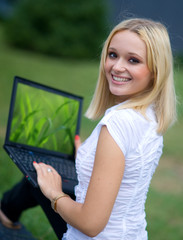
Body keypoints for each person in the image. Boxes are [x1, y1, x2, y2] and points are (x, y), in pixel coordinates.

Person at [0, 18, 176, 240]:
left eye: (133, 60)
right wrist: (86, 153)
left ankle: (6, 215)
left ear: (156, 71)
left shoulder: (117, 124)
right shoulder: (151, 115)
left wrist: (54, 193)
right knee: (44, 169)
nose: (117, 66)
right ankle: (7, 213)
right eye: (113, 55)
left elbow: (90, 225)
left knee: (43, 176)